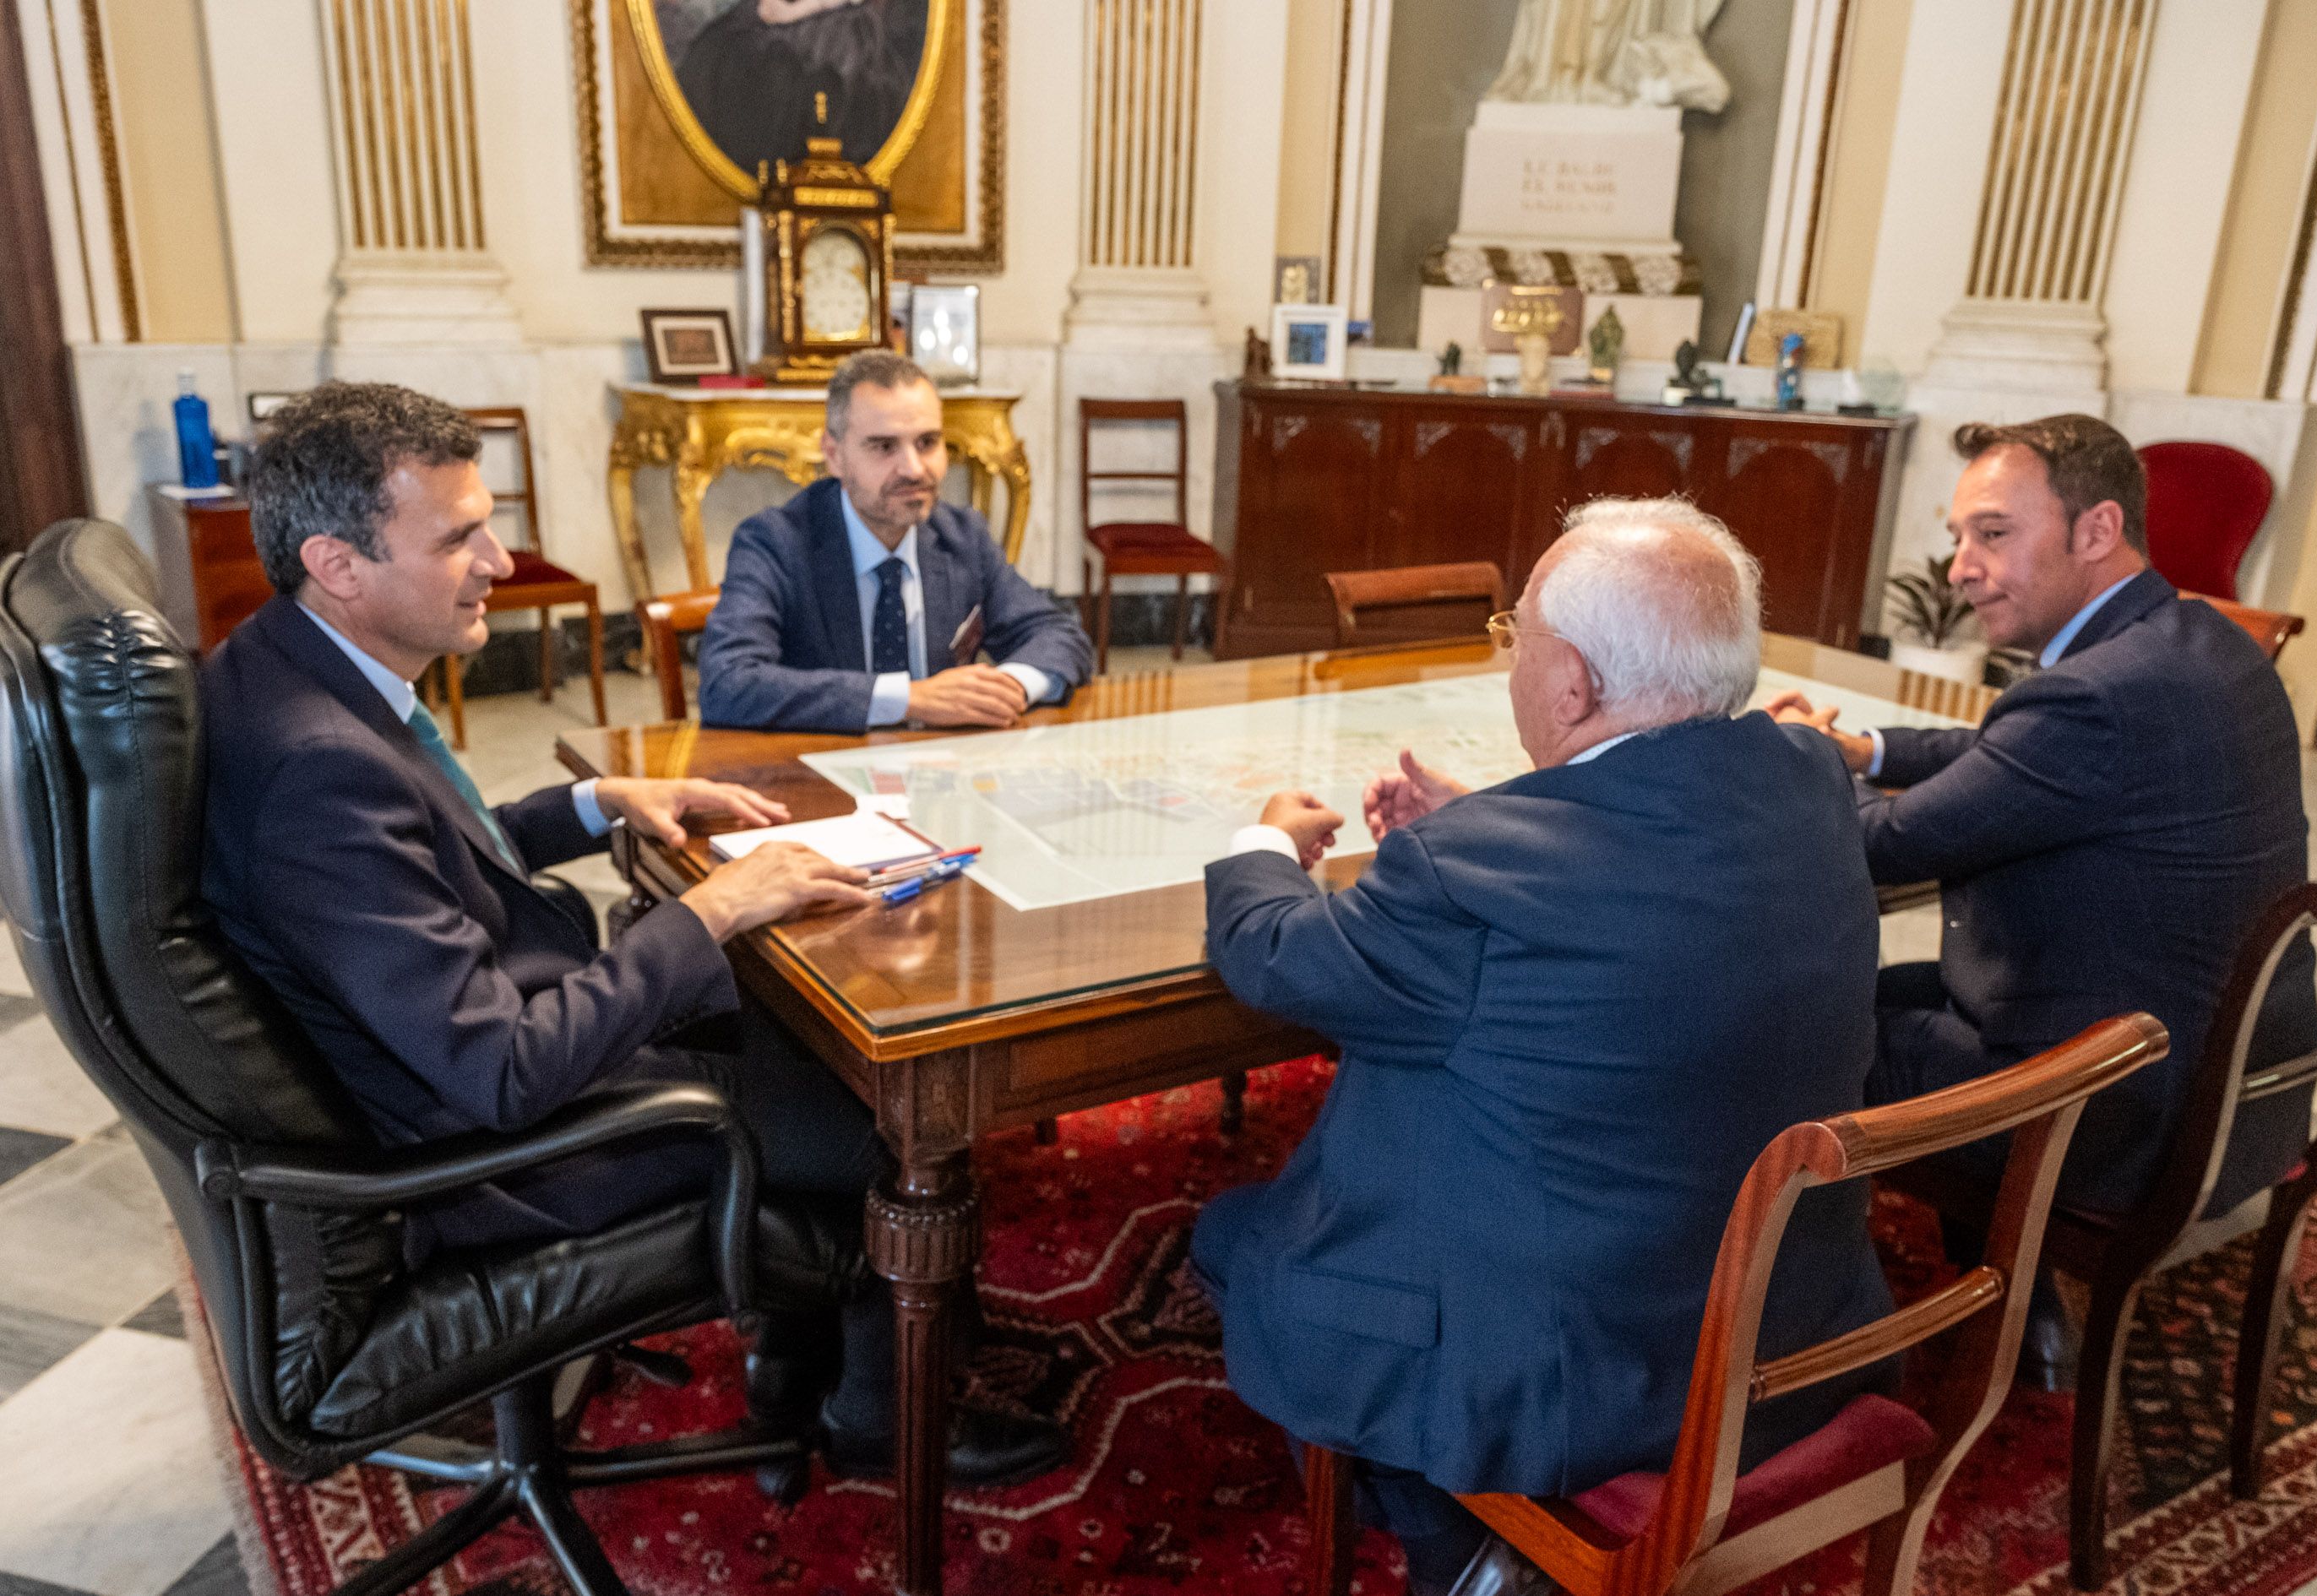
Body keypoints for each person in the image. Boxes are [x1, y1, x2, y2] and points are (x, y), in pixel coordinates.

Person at [200, 381, 1063, 1485]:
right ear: (337, 562)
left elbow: (418, 857)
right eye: (460, 535)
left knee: (805, 1034)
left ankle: (792, 1355)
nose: (502, 561)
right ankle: (882, 1421)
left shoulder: (285, 672)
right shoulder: (314, 769)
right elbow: (500, 1067)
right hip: (498, 1152)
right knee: (902, 1123)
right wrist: (709, 908)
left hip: (475, 1058)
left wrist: (593, 803)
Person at [1191, 502, 1895, 1596]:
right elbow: (1655, 843)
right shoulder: (1809, 779)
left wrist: (1262, 843)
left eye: (1511, 636)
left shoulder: (1467, 866)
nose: (1509, 660)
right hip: (1792, 1323)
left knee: (1237, 1235)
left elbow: (1279, 958)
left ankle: (1455, 1551)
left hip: (1574, 1376)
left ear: (1567, 684)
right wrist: (1481, 815)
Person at [1767, 414, 2317, 1364]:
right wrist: (1873, 749)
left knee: (1775, 1031)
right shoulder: (2205, 645)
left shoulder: (2092, 698)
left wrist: (1806, 768)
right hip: (2234, 1095)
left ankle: (1816, 1328)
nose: (1960, 569)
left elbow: (1886, 844)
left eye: (1992, 534)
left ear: (2097, 530)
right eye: (1958, 540)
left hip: (2101, 1114)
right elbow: (2009, 750)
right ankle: (2019, 1313)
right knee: (1844, 999)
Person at [699, 350, 1094, 732]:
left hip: (940, 779)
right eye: (884, 446)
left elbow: (1059, 636)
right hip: (820, 775)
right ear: (834, 455)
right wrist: (910, 699)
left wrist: (1004, 689)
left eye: (927, 443)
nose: (913, 468)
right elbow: (728, 682)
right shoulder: (775, 543)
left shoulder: (961, 535)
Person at [673, 0, 928, 177]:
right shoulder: (732, 42)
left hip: (833, 29)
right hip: (767, 24)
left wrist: (798, 10)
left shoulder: (854, 41)